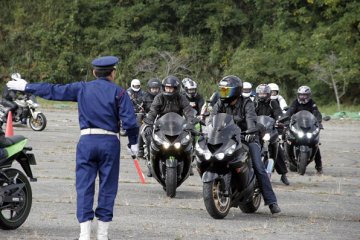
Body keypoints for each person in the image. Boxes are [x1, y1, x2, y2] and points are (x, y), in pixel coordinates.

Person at [7, 56, 139, 240]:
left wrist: (27, 86)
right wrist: (133, 143)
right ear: (113, 73)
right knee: (108, 187)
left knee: (84, 186)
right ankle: (102, 235)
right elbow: (131, 123)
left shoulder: (82, 88)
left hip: (87, 141)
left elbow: (53, 90)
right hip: (109, 142)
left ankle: (84, 235)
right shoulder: (119, 92)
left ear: (94, 72)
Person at [210, 75, 281, 214]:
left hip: (247, 137)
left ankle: (272, 202)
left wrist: (250, 131)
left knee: (258, 166)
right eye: (222, 90)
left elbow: (250, 118)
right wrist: (208, 128)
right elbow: (212, 118)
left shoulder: (246, 103)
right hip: (227, 138)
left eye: (226, 90)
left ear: (235, 91)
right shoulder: (220, 103)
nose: (223, 93)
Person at [141, 75, 195, 177]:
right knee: (145, 133)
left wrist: (190, 123)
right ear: (163, 87)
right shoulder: (159, 97)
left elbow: (189, 111)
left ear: (176, 89)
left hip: (178, 126)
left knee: (192, 135)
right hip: (162, 125)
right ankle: (149, 162)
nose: (169, 90)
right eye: (167, 87)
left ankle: (190, 161)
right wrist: (148, 124)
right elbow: (153, 112)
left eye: (171, 88)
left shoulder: (181, 98)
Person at [254, 84, 290, 185]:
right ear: (257, 94)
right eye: (260, 93)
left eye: (264, 93)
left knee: (278, 150)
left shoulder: (273, 103)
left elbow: (278, 113)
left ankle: (283, 174)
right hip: (257, 131)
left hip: (271, 130)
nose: (262, 95)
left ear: (268, 94)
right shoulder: (254, 103)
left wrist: (281, 121)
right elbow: (250, 115)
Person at [285, 85, 324, 174]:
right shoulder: (295, 103)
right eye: (301, 95)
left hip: (308, 127)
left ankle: (319, 167)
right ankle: (286, 160)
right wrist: (285, 120)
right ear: (298, 95)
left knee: (315, 145)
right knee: (287, 138)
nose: (303, 97)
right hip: (297, 126)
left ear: (309, 95)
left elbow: (316, 113)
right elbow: (290, 112)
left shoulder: (312, 103)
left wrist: (319, 122)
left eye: (305, 95)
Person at [137, 78, 162, 160]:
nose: (155, 90)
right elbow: (140, 109)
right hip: (148, 119)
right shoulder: (144, 97)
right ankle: (140, 149)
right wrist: (141, 111)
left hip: (161, 119)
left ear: (160, 88)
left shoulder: (163, 96)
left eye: (156, 88)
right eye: (153, 88)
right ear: (149, 88)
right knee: (142, 129)